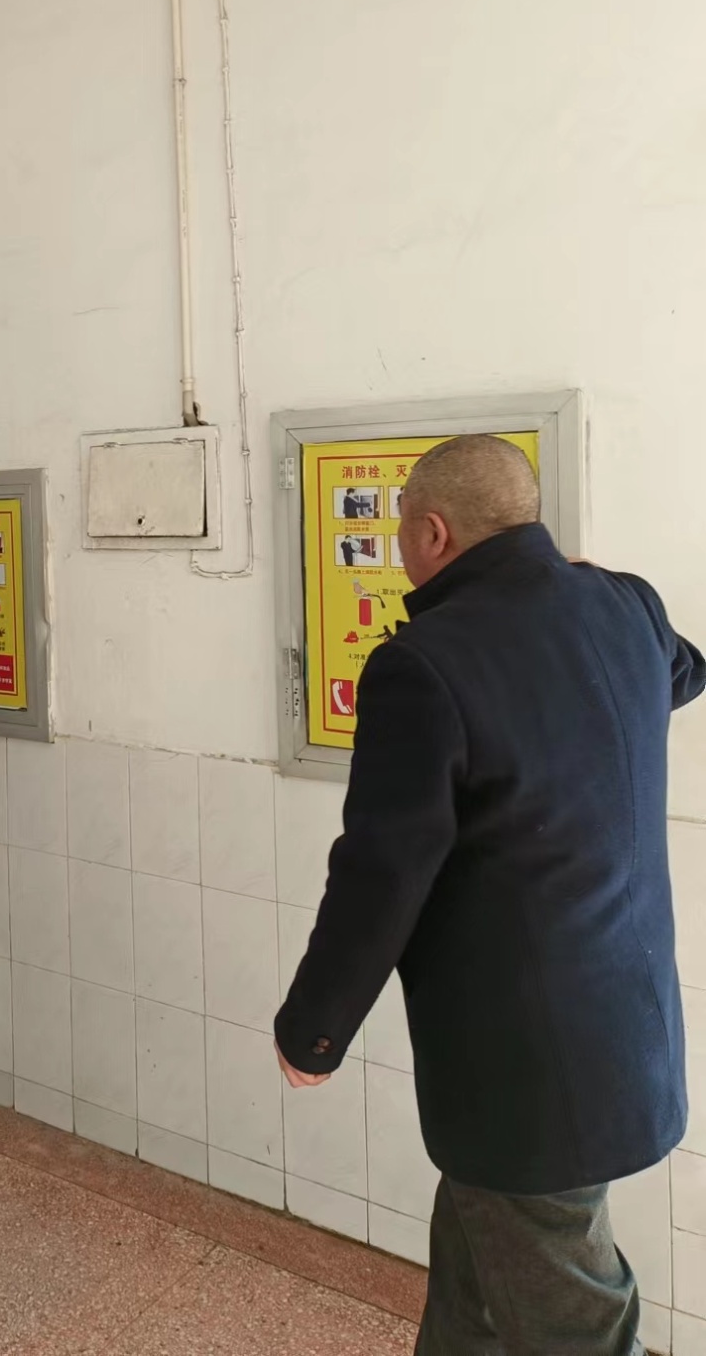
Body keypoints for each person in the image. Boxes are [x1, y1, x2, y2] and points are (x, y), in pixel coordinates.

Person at [275, 433, 704, 1354]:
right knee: (474, 1289)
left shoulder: (423, 662)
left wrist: (314, 1028)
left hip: (528, 1069)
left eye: (399, 527)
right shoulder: (623, 603)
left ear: (431, 532)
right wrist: (590, 591)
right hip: (625, 1028)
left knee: (576, 1324)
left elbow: (382, 869)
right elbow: (685, 671)